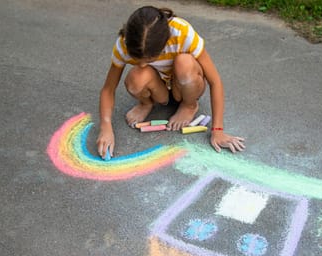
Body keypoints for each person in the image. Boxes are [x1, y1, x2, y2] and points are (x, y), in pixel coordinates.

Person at [96, 6, 245, 159]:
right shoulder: (125, 43)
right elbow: (108, 89)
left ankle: (189, 105)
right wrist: (105, 126)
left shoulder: (182, 33)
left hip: (184, 86)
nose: (141, 64)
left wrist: (218, 130)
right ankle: (147, 103)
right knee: (136, 77)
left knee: (184, 62)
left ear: (164, 44)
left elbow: (215, 81)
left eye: (148, 60)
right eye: (137, 60)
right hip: (159, 91)